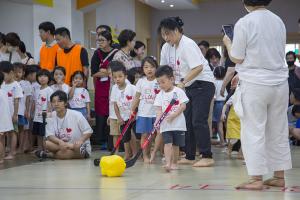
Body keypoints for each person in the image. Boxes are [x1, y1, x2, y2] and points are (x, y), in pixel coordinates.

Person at [223, 0, 292, 190]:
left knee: (253, 130)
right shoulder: (278, 21)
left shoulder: (245, 22)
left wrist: (228, 43)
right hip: (279, 83)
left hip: (255, 84)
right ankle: (279, 176)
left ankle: (256, 179)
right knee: (278, 130)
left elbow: (237, 57)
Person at [159, 17, 215, 167]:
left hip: (202, 83)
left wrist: (182, 83)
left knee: (198, 120)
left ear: (177, 31)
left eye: (168, 34)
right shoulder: (166, 47)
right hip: (185, 86)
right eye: (163, 35)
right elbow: (164, 70)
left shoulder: (188, 44)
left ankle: (207, 155)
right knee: (186, 122)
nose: (166, 38)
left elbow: (198, 68)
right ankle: (190, 156)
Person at [36, 90, 92, 159]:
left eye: (59, 101)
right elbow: (50, 135)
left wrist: (80, 140)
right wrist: (60, 142)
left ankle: (50, 155)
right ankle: (69, 151)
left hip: (78, 146)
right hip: (61, 146)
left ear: (65, 103)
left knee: (74, 148)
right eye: (53, 102)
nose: (56, 104)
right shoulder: (50, 116)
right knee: (47, 143)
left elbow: (88, 131)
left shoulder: (76, 114)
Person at [154, 65, 189, 172]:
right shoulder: (160, 94)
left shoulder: (178, 91)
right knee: (167, 143)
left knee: (175, 145)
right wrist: (157, 121)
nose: (161, 85)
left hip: (178, 124)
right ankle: (168, 163)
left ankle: (174, 163)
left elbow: (183, 106)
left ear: (172, 79)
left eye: (163, 82)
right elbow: (159, 110)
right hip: (166, 125)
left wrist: (174, 115)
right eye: (159, 83)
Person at [91, 30, 118, 147]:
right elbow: (94, 73)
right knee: (101, 112)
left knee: (112, 110)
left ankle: (112, 140)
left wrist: (105, 71)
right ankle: (101, 140)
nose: (100, 43)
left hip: (113, 85)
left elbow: (117, 71)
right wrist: (107, 72)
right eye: (98, 40)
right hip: (101, 87)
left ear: (109, 41)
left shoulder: (116, 53)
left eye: (102, 40)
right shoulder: (96, 54)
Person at [131, 56, 160, 163]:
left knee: (158, 134)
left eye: (152, 67)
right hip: (144, 114)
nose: (149, 69)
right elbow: (137, 97)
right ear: (143, 69)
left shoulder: (159, 81)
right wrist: (132, 110)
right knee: (145, 135)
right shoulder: (140, 82)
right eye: (146, 67)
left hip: (157, 114)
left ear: (156, 68)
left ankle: (155, 153)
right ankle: (145, 155)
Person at [110, 62, 137, 160]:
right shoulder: (114, 88)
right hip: (123, 117)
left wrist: (134, 114)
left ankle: (135, 153)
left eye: (120, 76)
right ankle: (127, 154)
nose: (117, 79)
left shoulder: (132, 88)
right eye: (115, 77)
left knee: (132, 135)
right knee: (125, 137)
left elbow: (137, 101)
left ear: (125, 76)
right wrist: (119, 117)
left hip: (133, 117)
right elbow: (115, 105)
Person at [0, 61, 23, 159]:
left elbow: (16, 101)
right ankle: (4, 152)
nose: (2, 76)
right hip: (4, 113)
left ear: (11, 73)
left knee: (13, 132)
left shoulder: (16, 85)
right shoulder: (2, 84)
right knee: (4, 133)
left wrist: (15, 114)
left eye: (3, 74)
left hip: (12, 113)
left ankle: (12, 152)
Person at [32, 69, 53, 151]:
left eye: (45, 76)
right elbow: (34, 102)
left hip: (45, 116)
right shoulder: (36, 89)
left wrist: (48, 114)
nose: (42, 78)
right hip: (36, 116)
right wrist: (32, 113)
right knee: (38, 134)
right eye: (40, 76)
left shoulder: (49, 90)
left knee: (44, 134)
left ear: (48, 78)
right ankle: (39, 149)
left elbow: (50, 103)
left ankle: (46, 149)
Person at [13, 63, 32, 153]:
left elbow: (28, 99)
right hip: (11, 112)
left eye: (19, 72)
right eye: (15, 72)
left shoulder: (26, 83)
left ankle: (20, 148)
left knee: (21, 130)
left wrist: (27, 111)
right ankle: (11, 148)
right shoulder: (9, 83)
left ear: (23, 73)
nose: (17, 74)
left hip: (21, 111)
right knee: (11, 131)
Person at [0, 71, 14, 164]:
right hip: (4, 119)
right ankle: (2, 157)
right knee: (2, 139)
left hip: (1, 119)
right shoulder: (3, 91)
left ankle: (0, 158)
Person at [213, 66, 227, 146]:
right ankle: (227, 141)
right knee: (225, 123)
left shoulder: (214, 83)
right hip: (225, 103)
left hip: (217, 104)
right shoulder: (224, 82)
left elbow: (214, 97)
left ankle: (222, 141)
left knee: (219, 124)